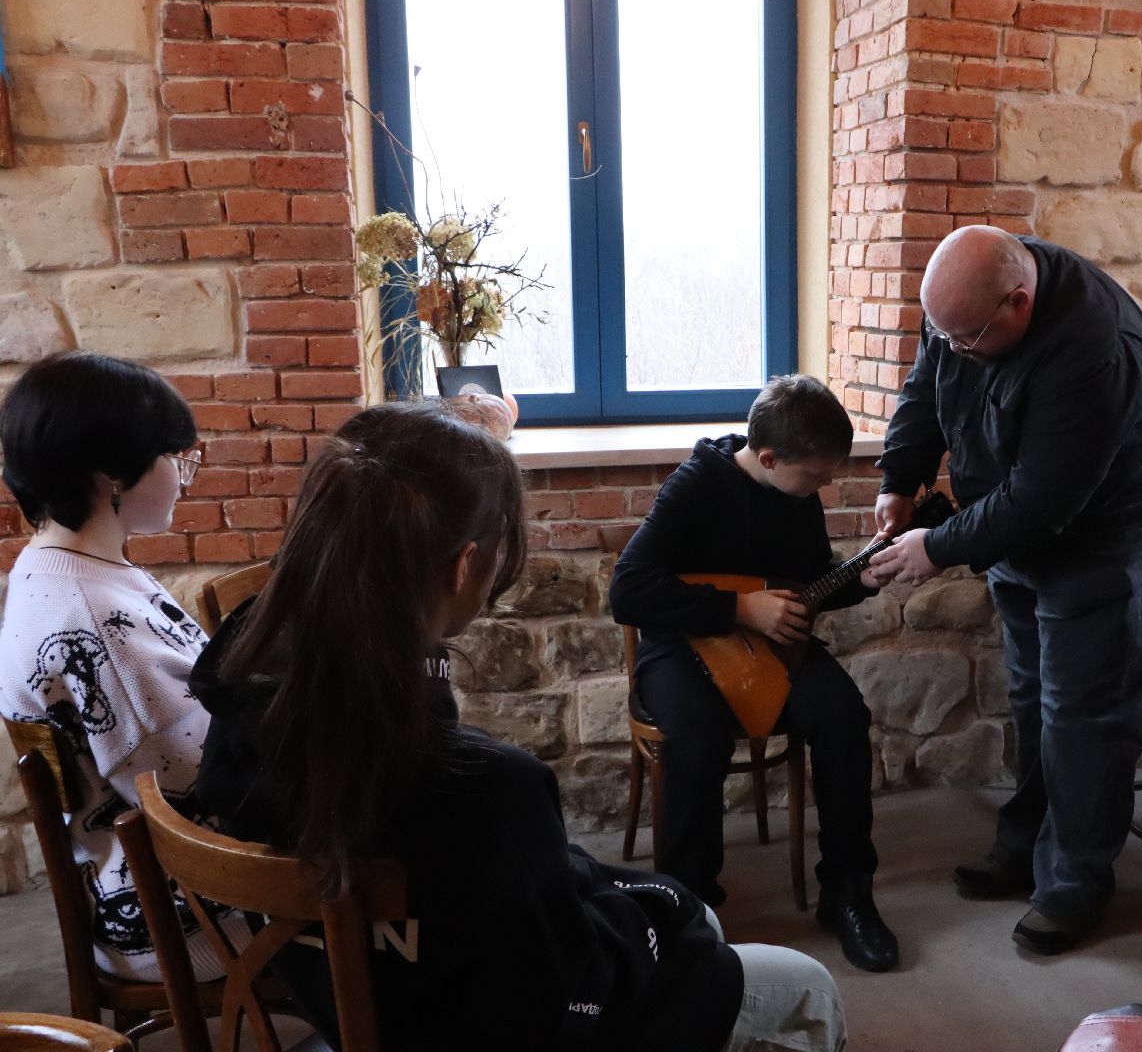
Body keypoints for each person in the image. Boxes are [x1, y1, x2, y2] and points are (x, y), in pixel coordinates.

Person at [190, 402, 846, 1051]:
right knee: (802, 979)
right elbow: (571, 987)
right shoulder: (490, 790)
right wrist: (647, 914)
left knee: (685, 906)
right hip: (477, 1023)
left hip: (359, 1002)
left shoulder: (241, 711)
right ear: (464, 565)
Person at [869, 224, 1142, 955]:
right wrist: (900, 475)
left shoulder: (1094, 347)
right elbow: (928, 386)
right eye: (941, 331)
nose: (950, 346)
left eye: (966, 336)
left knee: (1085, 704)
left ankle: (1075, 883)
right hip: (1011, 511)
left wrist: (940, 547)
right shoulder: (963, 304)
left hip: (1112, 517)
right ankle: (1026, 845)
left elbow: (1046, 500)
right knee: (1033, 692)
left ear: (1018, 303)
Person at [608, 375, 899, 973]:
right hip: (682, 646)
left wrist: (860, 580)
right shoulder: (695, 486)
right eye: (816, 476)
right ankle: (688, 909)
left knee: (844, 716)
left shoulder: (795, 494)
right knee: (697, 735)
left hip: (773, 649)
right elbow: (629, 590)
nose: (824, 486)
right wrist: (738, 608)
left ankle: (847, 893)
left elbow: (808, 585)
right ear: (768, 458)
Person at [0, 351, 226, 982]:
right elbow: (213, 782)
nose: (185, 476)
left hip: (133, 873)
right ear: (112, 476)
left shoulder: (54, 563)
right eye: (177, 458)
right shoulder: (89, 614)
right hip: (179, 914)